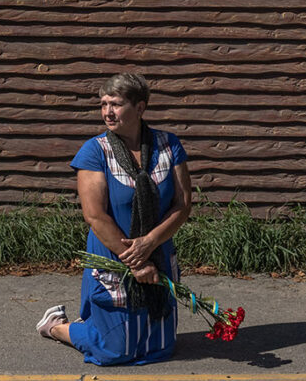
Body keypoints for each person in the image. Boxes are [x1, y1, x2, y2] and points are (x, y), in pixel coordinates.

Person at [36, 73, 192, 365]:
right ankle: (56, 326)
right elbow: (95, 215)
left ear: (140, 107)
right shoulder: (95, 151)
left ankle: (107, 327)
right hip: (114, 253)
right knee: (115, 350)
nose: (108, 111)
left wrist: (150, 242)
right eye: (103, 104)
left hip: (157, 250)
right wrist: (136, 260)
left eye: (116, 104)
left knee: (160, 349)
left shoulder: (168, 145)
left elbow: (182, 205)